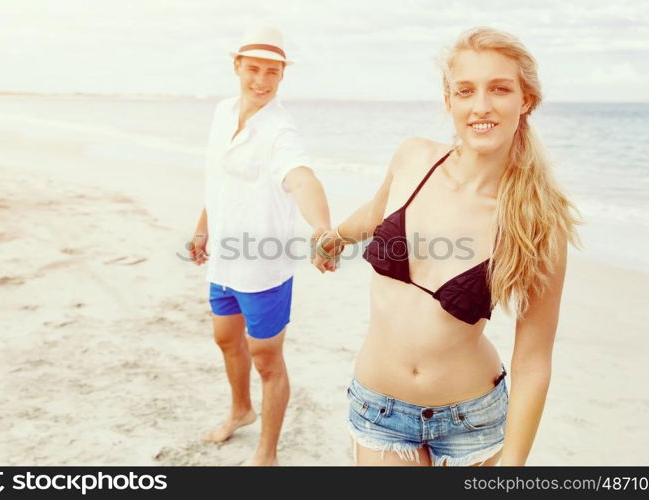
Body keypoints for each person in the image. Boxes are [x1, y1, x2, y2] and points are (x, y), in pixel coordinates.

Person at [313, 26, 581, 466]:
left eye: (499, 88)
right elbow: (374, 212)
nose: (481, 106)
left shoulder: (538, 223)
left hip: (470, 421)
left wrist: (513, 466)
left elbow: (533, 360)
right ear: (449, 100)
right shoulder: (414, 159)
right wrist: (334, 238)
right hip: (379, 409)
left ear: (525, 99)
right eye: (465, 90)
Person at [190, 26, 333, 466]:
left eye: (273, 72)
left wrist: (323, 228)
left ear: (282, 75)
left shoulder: (280, 131)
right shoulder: (222, 111)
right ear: (237, 66)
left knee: (266, 360)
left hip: (263, 271)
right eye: (254, 69)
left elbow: (302, 178)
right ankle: (241, 409)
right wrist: (202, 227)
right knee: (225, 340)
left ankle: (266, 453)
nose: (262, 81)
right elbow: (219, 179)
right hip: (223, 263)